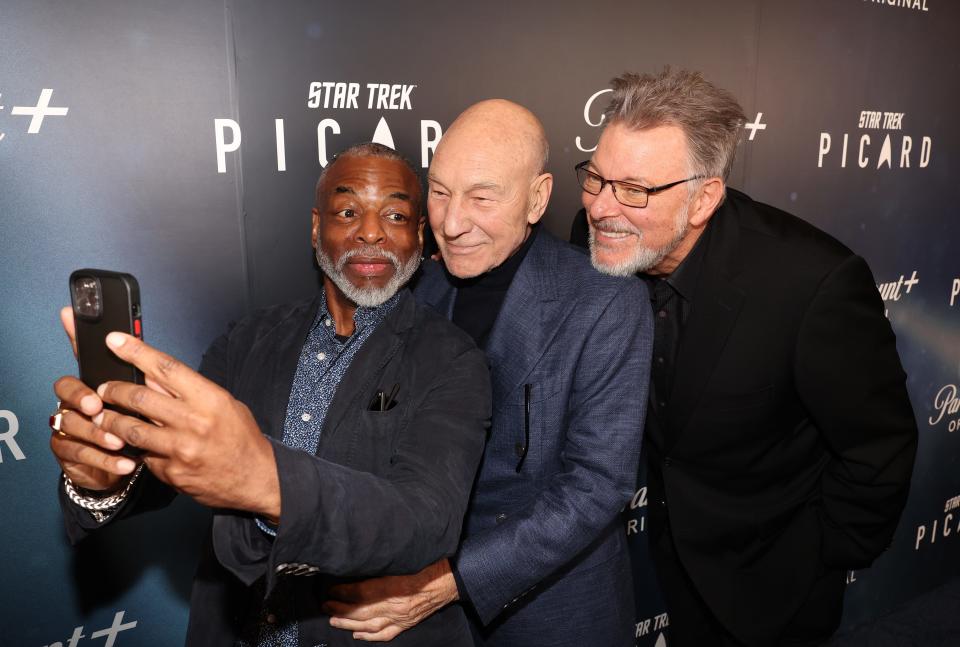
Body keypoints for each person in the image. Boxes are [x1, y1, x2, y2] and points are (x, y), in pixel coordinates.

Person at [49, 143, 491, 647]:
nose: (371, 232)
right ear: (315, 227)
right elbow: (172, 466)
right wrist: (105, 474)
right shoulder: (248, 339)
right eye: (347, 211)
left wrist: (265, 481)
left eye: (394, 214)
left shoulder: (454, 359)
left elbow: (424, 520)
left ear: (418, 234)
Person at [577, 68, 918, 646]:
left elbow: (879, 447)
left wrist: (816, 559)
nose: (602, 207)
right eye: (596, 178)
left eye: (634, 188)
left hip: (775, 585)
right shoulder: (606, 239)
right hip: (666, 558)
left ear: (704, 196)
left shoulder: (812, 284)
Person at [322, 100, 653, 646]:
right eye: (441, 192)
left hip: (552, 612)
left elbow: (595, 486)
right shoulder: (415, 289)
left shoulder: (607, 300)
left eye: (481, 198)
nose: (452, 224)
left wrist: (447, 582)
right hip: (425, 610)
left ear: (538, 198)